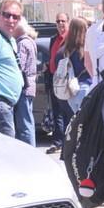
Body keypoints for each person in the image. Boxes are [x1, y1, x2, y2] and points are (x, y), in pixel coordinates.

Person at [0, 0, 24, 136]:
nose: (11, 20)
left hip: (5, 106)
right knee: (5, 154)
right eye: (7, 15)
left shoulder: (8, 39)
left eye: (16, 17)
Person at [13, 18, 38, 146]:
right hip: (30, 86)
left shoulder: (22, 43)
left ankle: (30, 152)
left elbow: (19, 66)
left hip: (24, 87)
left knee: (24, 124)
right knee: (27, 122)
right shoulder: (30, 41)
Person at [45, 12, 69, 152]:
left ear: (68, 22)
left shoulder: (71, 39)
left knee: (66, 112)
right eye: (58, 21)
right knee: (57, 113)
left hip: (65, 81)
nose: (60, 24)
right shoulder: (53, 39)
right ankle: (58, 141)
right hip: (54, 80)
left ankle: (66, 141)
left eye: (63, 21)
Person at [60, 18, 92, 114]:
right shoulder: (86, 49)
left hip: (71, 91)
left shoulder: (66, 50)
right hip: (85, 88)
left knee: (78, 122)